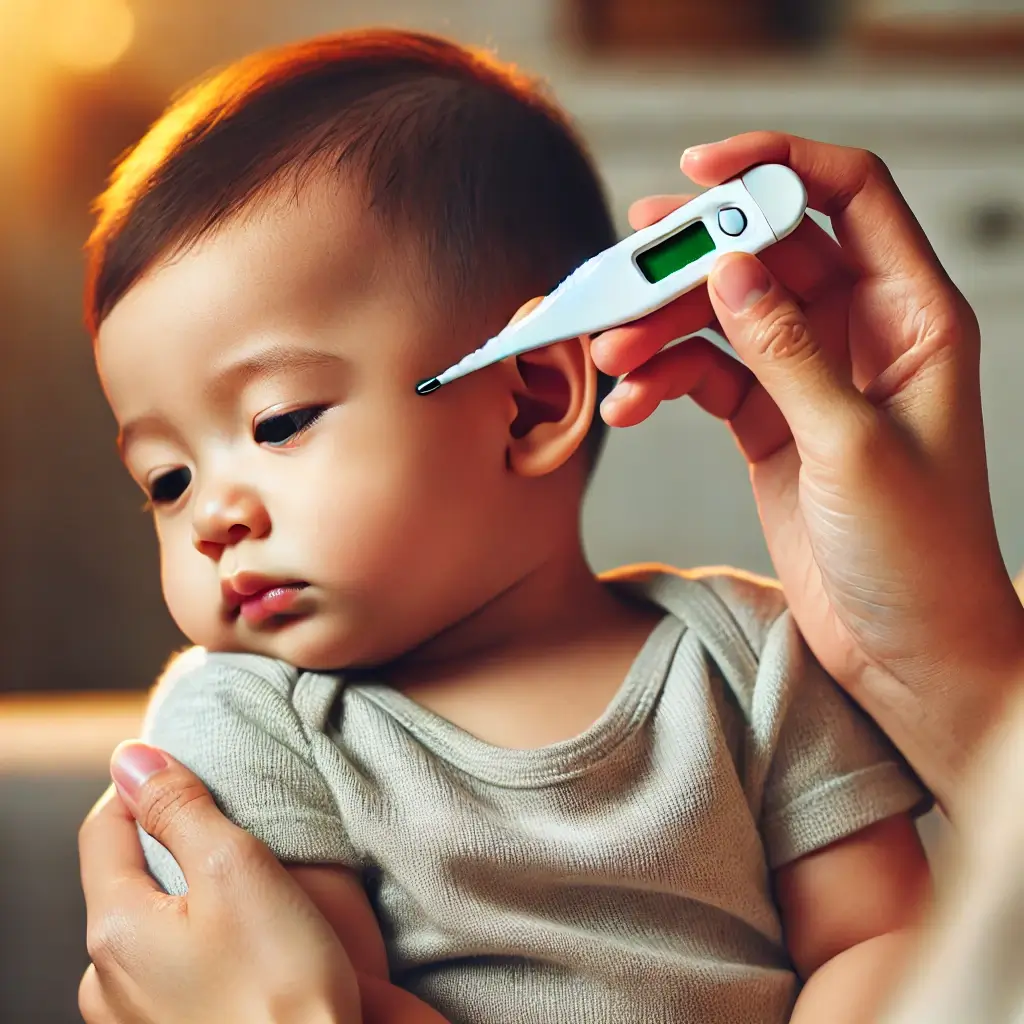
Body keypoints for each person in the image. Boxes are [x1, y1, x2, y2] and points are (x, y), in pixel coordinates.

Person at [74, 31, 1024, 1024]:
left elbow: (882, 940)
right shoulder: (247, 720)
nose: (213, 516)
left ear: (527, 400)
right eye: (167, 478)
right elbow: (318, 990)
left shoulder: (752, 659)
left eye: (278, 422)